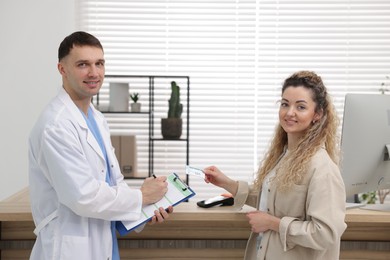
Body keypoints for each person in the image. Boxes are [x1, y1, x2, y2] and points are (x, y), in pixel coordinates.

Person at [28, 31, 173, 260]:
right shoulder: (55, 126)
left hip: (103, 248)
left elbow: (113, 182)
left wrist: (146, 210)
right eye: (83, 64)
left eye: (99, 63)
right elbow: (83, 197)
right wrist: (142, 197)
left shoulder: (96, 118)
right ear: (62, 69)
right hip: (70, 251)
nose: (94, 72)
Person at [203, 71, 347, 260]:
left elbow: (326, 233)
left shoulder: (322, 168)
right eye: (285, 104)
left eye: (301, 107)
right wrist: (227, 183)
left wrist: (273, 224)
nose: (289, 113)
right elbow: (269, 202)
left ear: (317, 114)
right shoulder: (286, 156)